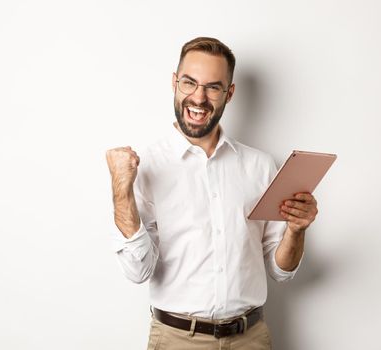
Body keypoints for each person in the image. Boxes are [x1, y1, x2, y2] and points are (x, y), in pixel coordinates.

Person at [106, 37, 318, 350]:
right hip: (177, 340)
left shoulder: (260, 165)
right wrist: (120, 191)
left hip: (251, 339)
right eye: (189, 83)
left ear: (229, 94)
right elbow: (139, 271)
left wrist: (296, 230)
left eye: (213, 87)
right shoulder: (145, 166)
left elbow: (280, 271)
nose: (199, 97)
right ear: (174, 83)